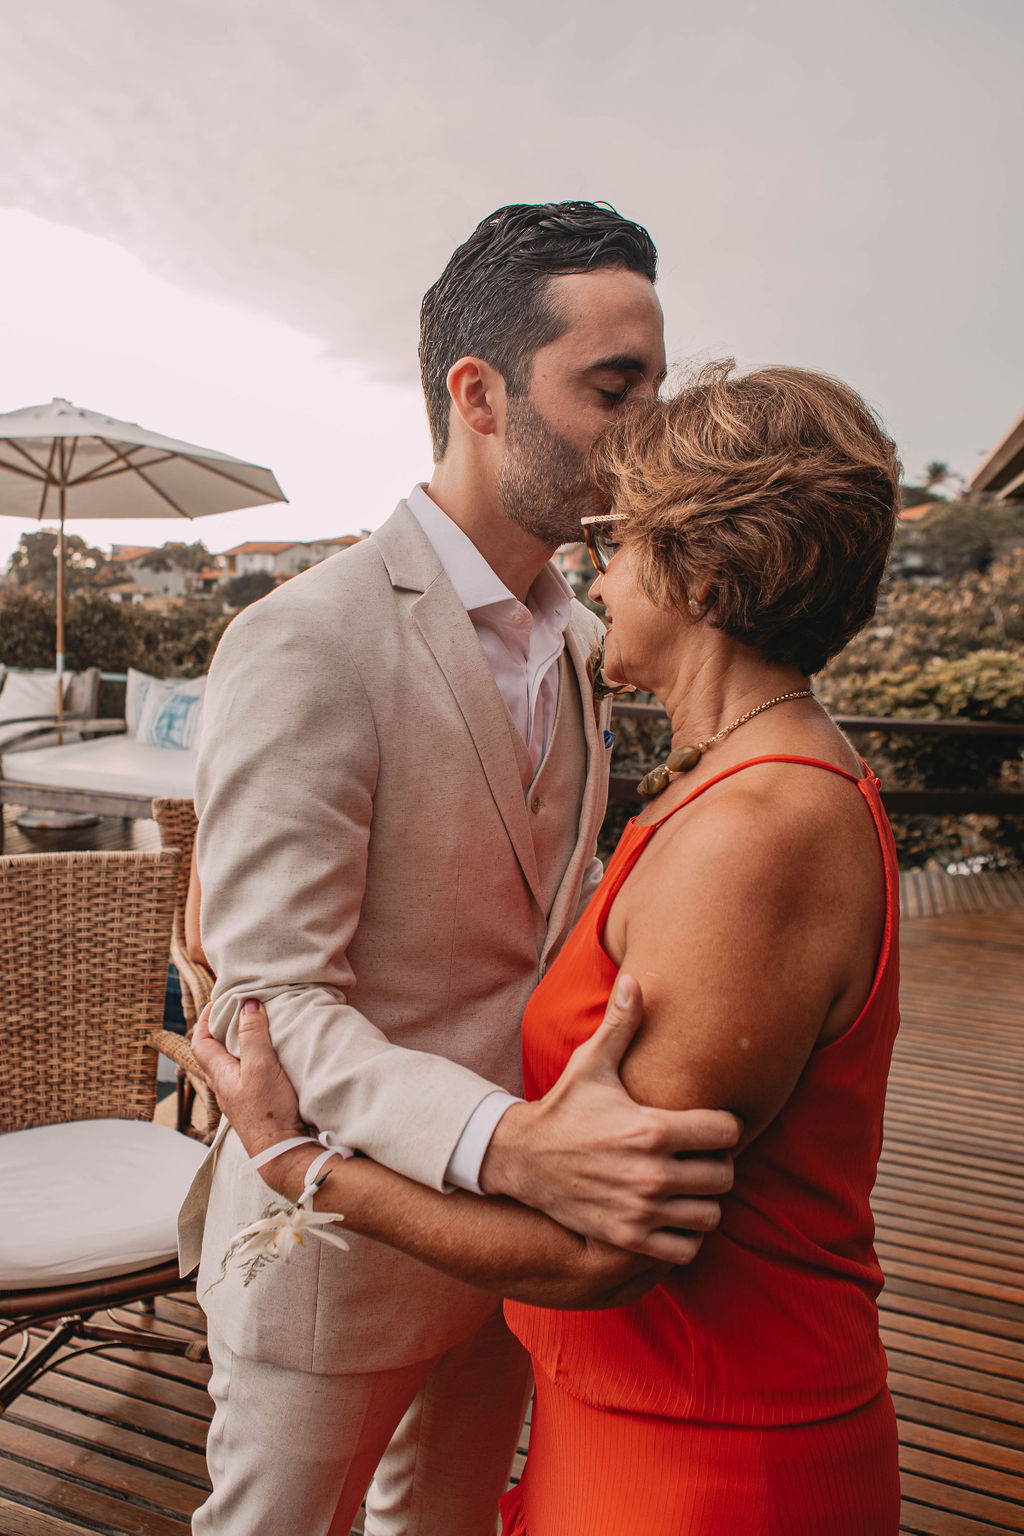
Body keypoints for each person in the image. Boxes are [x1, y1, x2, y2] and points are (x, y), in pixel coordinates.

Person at [194, 358, 905, 1535]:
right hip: (549, 1358)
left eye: (622, 542)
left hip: (697, 1431)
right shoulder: (726, 778)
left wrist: (295, 1163)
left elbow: (602, 1252)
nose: (596, 569)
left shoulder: (758, 827)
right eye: (611, 383)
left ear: (705, 574)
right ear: (477, 393)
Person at [179, 202, 740, 1536]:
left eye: (656, 389)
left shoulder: (588, 641)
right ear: (479, 396)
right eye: (615, 388)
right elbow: (270, 1004)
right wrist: (508, 1143)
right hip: (336, 1252)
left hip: (513, 1262)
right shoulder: (307, 641)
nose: (649, 434)